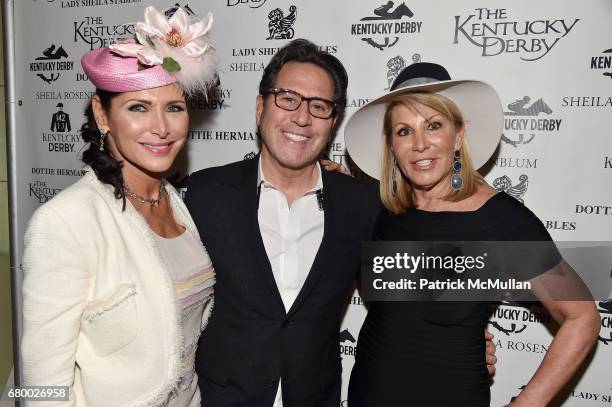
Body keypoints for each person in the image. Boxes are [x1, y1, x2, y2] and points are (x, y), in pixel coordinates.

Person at [186, 39, 496, 407]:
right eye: (287, 98)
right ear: (260, 107)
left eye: (319, 106)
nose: (301, 117)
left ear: (333, 122)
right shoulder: (204, 194)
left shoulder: (360, 206)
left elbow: (402, 298)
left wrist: (461, 335)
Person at [344, 62, 600, 406]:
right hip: (368, 394)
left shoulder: (500, 219)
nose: (420, 144)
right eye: (404, 131)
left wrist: (527, 403)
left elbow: (581, 317)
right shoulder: (381, 210)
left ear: (458, 134)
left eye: (433, 125)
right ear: (391, 145)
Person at [21, 6, 216, 406]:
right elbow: (39, 381)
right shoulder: (65, 221)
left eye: (174, 108)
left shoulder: (177, 202)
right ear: (101, 113)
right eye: (138, 107)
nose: (161, 127)